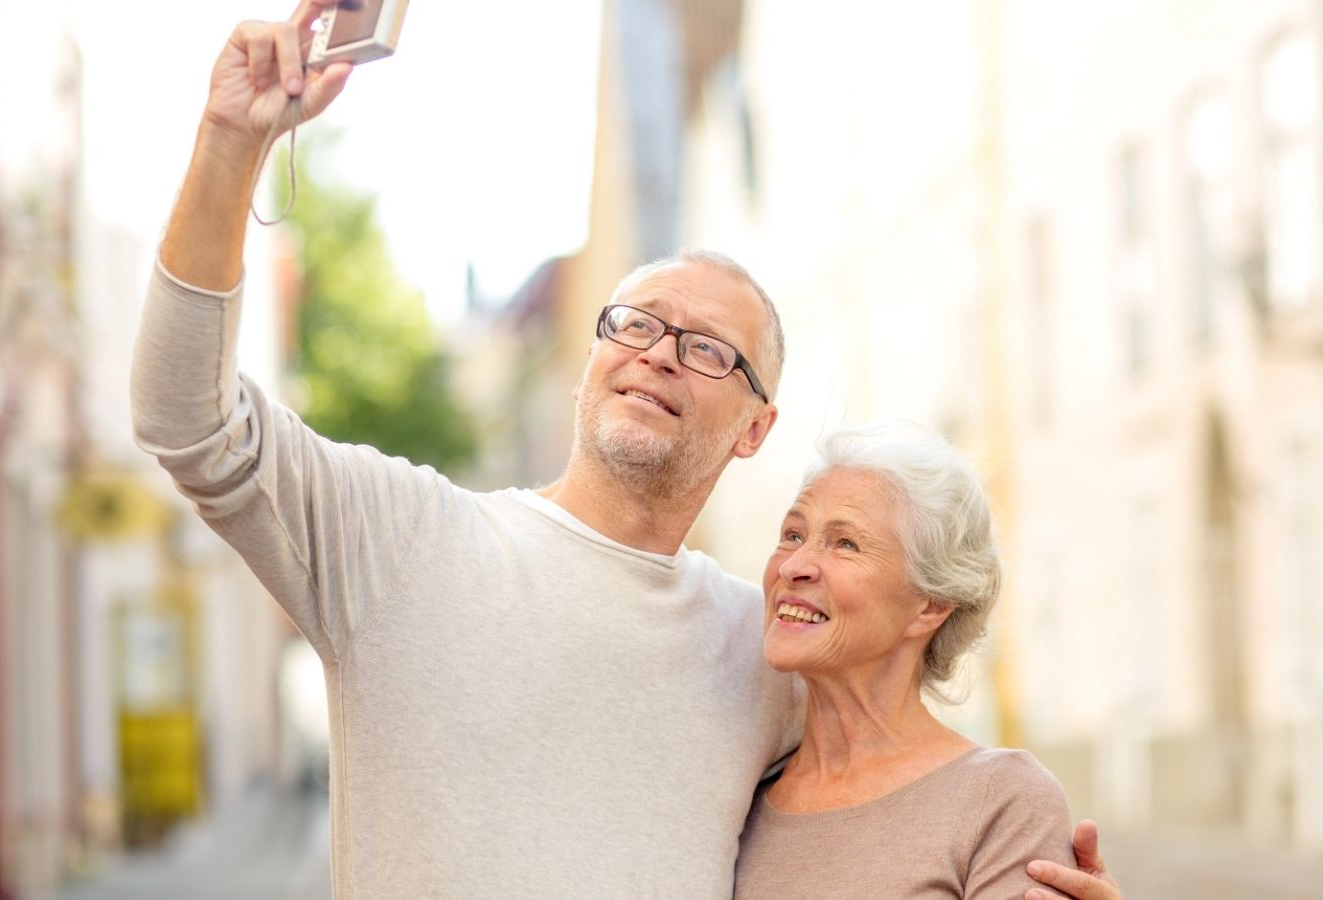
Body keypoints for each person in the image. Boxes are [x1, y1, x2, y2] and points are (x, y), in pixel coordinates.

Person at [130, 1, 1123, 897]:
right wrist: (228, 145)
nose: (656, 357)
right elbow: (186, 417)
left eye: (706, 350)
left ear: (754, 430)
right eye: (634, 325)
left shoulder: (767, 650)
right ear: (589, 362)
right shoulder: (399, 541)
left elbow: (889, 801)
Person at [735, 425, 1079, 897]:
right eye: (793, 534)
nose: (794, 566)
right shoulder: (739, 796)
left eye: (845, 544)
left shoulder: (1001, 801)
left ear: (930, 605)